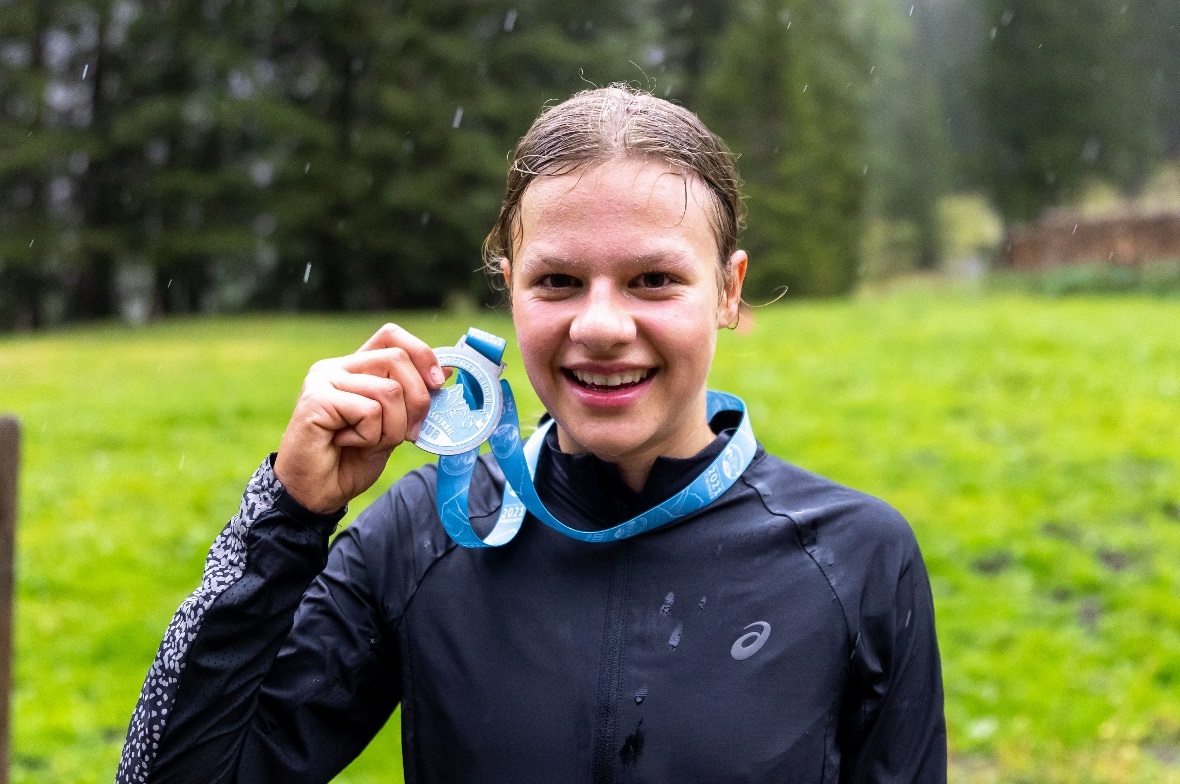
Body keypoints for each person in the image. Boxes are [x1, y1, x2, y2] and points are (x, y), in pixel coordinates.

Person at [117, 85, 945, 784]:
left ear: (728, 291)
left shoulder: (856, 558)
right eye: (558, 281)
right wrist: (287, 517)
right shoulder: (421, 540)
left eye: (654, 279)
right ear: (510, 289)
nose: (601, 326)